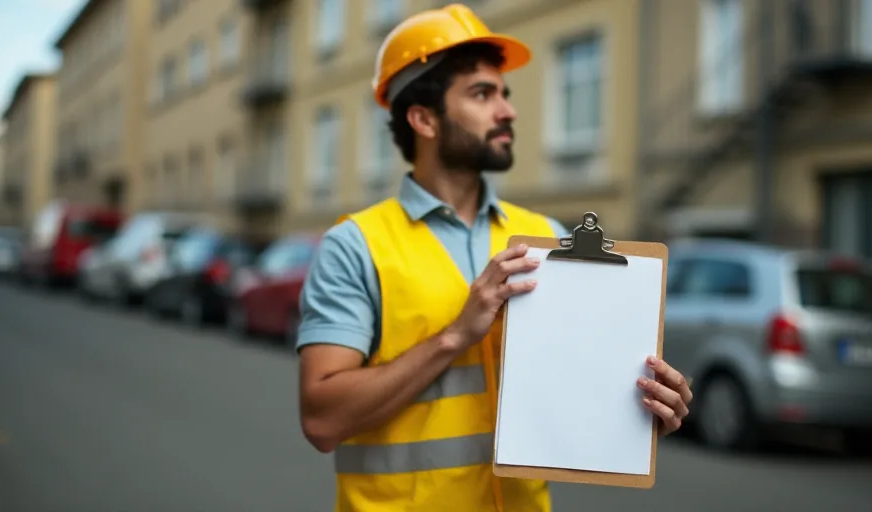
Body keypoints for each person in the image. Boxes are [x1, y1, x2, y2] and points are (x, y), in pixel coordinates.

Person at [295, 4, 693, 511]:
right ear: (423, 118)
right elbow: (322, 420)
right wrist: (456, 336)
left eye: (503, 93)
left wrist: (649, 407)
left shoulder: (548, 238)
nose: (508, 110)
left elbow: (580, 389)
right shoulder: (356, 246)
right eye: (483, 94)